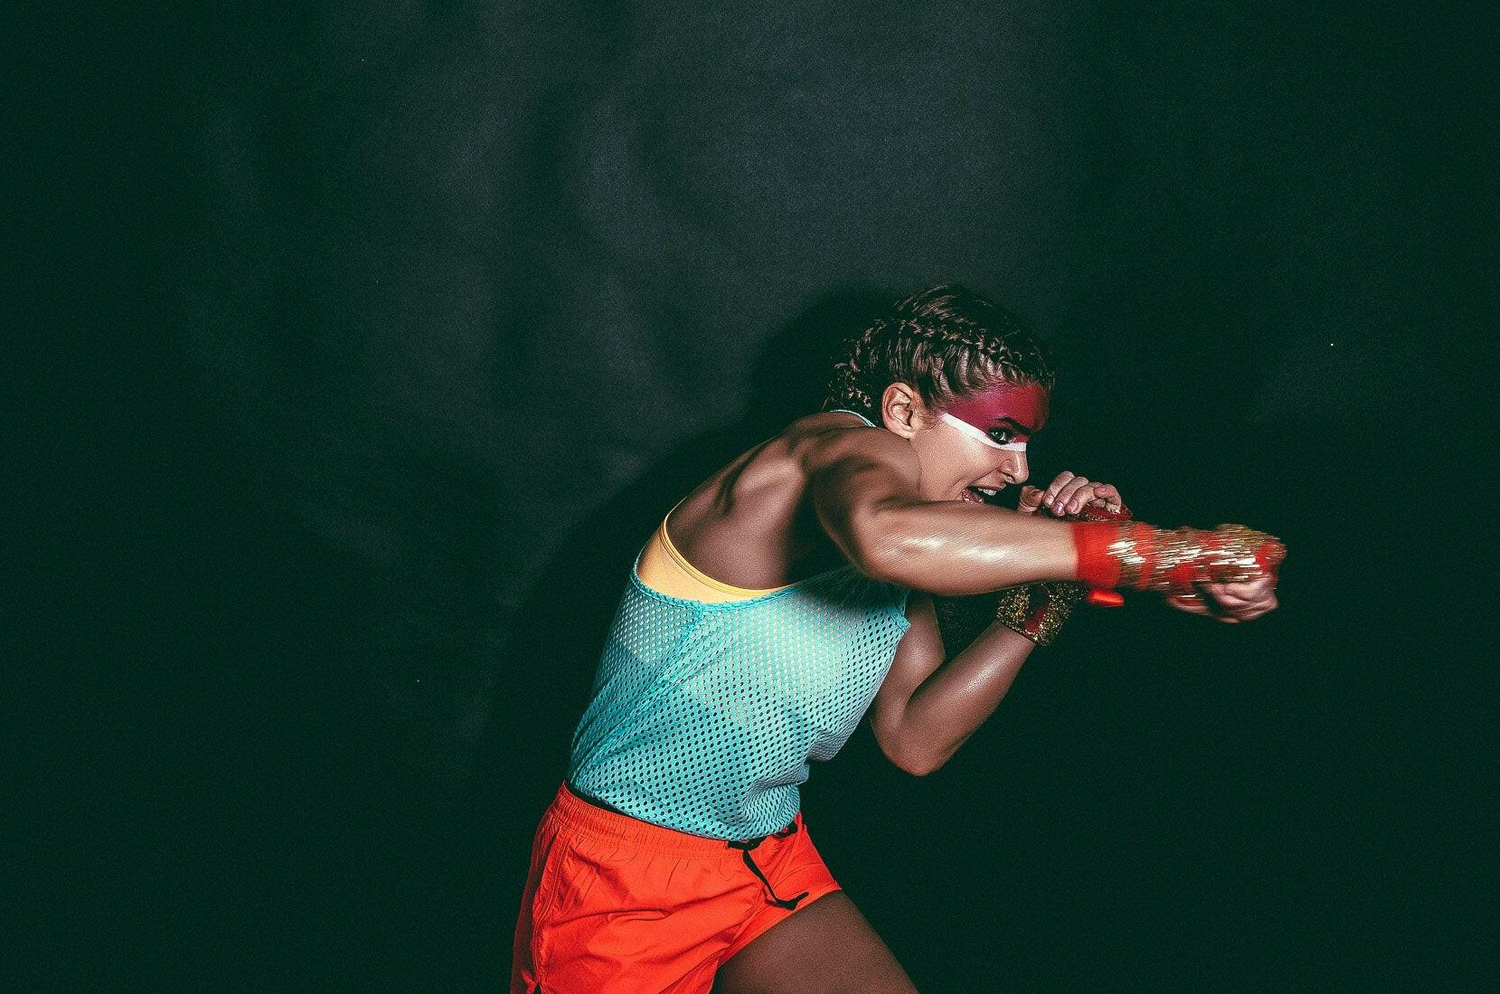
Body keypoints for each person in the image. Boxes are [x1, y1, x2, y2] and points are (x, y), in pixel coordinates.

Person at [510, 284, 1281, 994]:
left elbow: (917, 736)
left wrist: (1054, 587)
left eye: (1027, 445)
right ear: (906, 411)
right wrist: (1161, 552)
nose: (1019, 469)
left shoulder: (895, 553)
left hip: (766, 861)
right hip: (628, 877)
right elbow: (887, 535)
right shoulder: (833, 449)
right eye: (1001, 435)